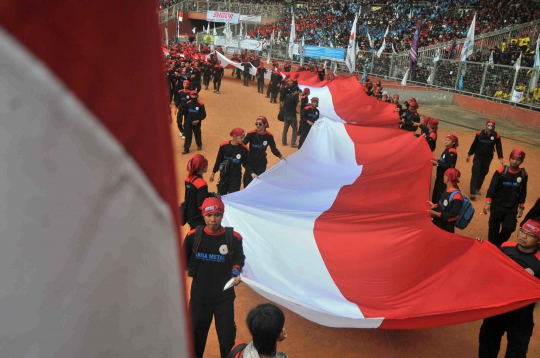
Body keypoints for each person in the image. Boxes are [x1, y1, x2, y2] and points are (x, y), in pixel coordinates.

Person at [183, 197, 245, 358]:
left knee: (227, 341)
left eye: (217, 215)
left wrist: (236, 271)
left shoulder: (233, 238)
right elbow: (182, 259)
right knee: (195, 340)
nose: (212, 219)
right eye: (209, 215)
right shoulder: (193, 237)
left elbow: (239, 258)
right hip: (199, 299)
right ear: (203, 215)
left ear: (222, 215)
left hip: (224, 299)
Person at [477, 219, 540, 358]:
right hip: (497, 308)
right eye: (522, 231)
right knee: (487, 345)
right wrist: (481, 246)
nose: (523, 237)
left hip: (521, 315)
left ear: (538, 240)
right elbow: (492, 263)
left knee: (516, 351)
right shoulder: (506, 247)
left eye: (530, 235)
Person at [483, 150, 528, 247]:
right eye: (513, 159)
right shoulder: (500, 171)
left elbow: (523, 191)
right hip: (497, 205)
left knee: (509, 227)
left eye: (518, 160)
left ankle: (498, 243)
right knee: (493, 227)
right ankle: (492, 245)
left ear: (522, 161)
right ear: (509, 158)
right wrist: (488, 202)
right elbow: (492, 187)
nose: (515, 161)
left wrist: (521, 206)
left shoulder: (523, 174)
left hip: (512, 206)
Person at [210, 128, 256, 195]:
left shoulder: (244, 149)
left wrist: (252, 173)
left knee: (233, 196)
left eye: (243, 137)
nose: (243, 139)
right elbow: (219, 160)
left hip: (235, 178)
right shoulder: (224, 146)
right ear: (234, 137)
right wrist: (213, 172)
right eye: (241, 137)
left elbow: (246, 163)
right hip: (224, 176)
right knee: (221, 196)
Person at [467, 120, 504, 200]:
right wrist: (469, 154)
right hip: (478, 157)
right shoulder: (479, 133)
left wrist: (500, 157)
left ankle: (477, 188)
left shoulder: (496, 136)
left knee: (484, 172)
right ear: (486, 125)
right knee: (475, 172)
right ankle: (472, 192)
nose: (490, 126)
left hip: (488, 158)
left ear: (494, 127)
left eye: (492, 125)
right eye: (489, 125)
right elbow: (474, 144)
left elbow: (499, 147)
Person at [243, 116, 284, 188]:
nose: (258, 126)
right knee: (246, 182)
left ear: (265, 125)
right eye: (256, 124)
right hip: (251, 161)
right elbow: (243, 146)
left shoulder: (269, 136)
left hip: (261, 163)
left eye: (260, 124)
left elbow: (274, 149)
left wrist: (281, 157)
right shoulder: (251, 134)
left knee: (258, 184)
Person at [428, 168, 463, 233]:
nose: (443, 177)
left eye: (445, 175)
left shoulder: (457, 196)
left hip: (445, 228)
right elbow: (444, 205)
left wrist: (436, 214)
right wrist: (435, 206)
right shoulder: (447, 188)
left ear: (449, 178)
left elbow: (454, 215)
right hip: (438, 223)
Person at [184, 154, 213, 229]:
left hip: (188, 213)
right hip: (198, 218)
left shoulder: (188, 178)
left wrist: (210, 194)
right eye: (206, 164)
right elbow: (201, 205)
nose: (207, 166)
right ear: (202, 167)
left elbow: (194, 193)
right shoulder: (202, 184)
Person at [432, 134, 459, 203]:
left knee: (440, 193)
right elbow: (443, 160)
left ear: (453, 143)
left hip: (445, 177)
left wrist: (437, 163)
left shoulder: (452, 152)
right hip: (440, 175)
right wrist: (437, 160)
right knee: (436, 191)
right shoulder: (448, 149)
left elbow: (449, 165)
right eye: (446, 140)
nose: (446, 141)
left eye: (448, 140)